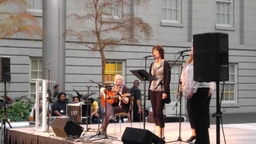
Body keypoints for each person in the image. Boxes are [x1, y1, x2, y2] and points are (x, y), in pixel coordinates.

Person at [180, 47, 215, 144]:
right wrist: (183, 88)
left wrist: (192, 89)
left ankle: (203, 140)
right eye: (190, 50)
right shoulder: (188, 63)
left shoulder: (201, 62)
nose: (190, 51)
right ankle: (199, 138)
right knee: (194, 116)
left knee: (200, 117)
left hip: (199, 90)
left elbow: (198, 78)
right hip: (191, 90)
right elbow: (184, 77)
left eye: (193, 50)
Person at [148, 45, 171, 140]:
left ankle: (162, 133)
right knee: (154, 113)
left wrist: (165, 91)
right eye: (153, 51)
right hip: (153, 88)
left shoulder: (165, 63)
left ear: (160, 52)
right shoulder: (152, 64)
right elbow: (150, 78)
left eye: (156, 51)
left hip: (161, 90)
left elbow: (167, 78)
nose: (154, 53)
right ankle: (158, 133)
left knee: (159, 111)